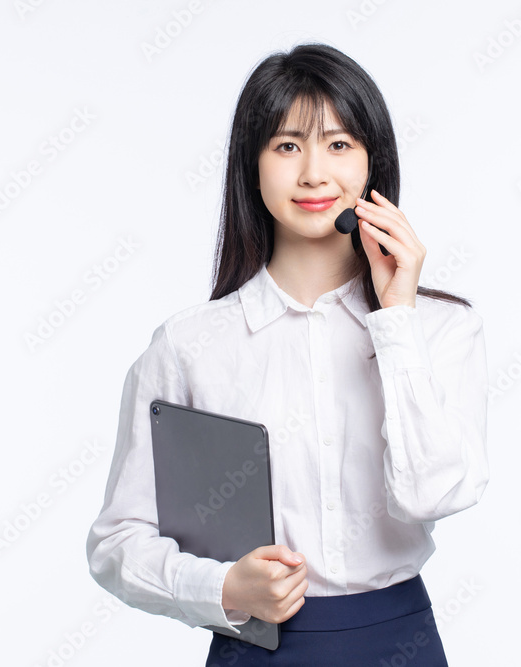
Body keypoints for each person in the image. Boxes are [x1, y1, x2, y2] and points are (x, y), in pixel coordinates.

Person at [85, 42, 489, 666]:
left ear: (372, 162)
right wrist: (220, 587)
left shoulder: (440, 329)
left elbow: (432, 495)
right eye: (287, 146)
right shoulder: (190, 346)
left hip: (396, 642)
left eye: (340, 144)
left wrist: (396, 319)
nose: (313, 174)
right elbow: (116, 543)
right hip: (257, 648)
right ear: (252, 165)